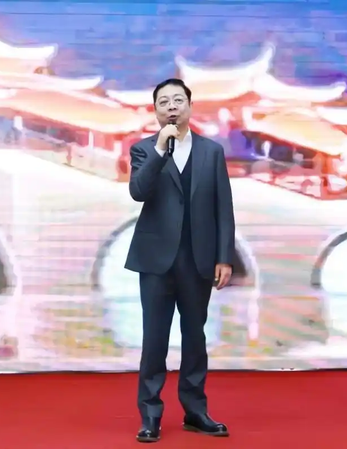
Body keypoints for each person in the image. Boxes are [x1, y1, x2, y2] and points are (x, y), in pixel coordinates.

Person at [124, 78, 235, 443]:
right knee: (154, 339)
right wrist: (160, 149)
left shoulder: (211, 152)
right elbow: (139, 191)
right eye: (163, 102)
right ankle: (150, 415)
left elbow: (223, 208)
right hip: (156, 259)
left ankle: (195, 410)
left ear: (189, 106)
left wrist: (224, 257)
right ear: (156, 111)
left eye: (177, 100)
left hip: (198, 258)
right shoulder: (144, 150)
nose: (171, 107)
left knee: (194, 338)